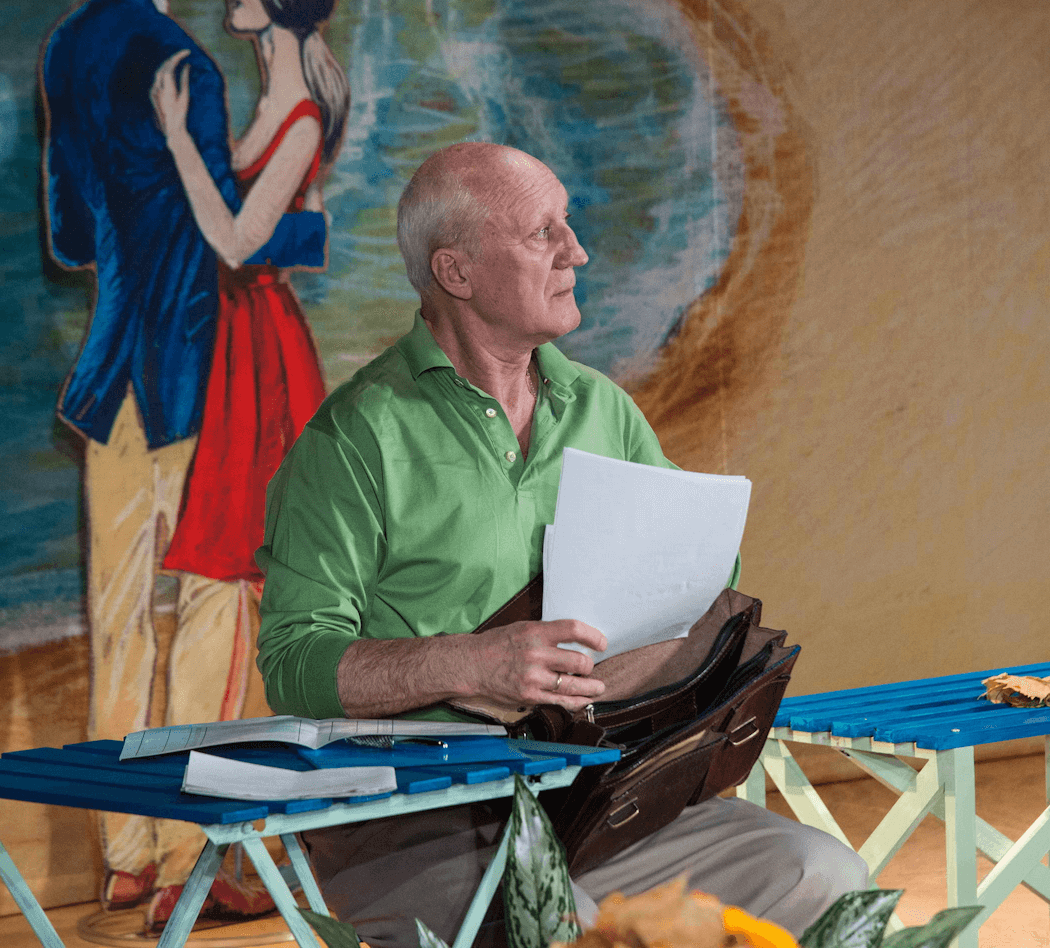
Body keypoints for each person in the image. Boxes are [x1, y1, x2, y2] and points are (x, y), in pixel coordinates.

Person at [255, 142, 868, 947]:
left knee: (820, 876)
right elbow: (294, 664)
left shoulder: (601, 408)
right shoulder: (351, 440)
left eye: (567, 226)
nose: (576, 251)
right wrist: (471, 663)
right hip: (416, 824)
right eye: (543, 232)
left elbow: (699, 572)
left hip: (598, 801)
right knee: (556, 931)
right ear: (456, 272)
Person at [40, 0, 322, 927]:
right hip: (198, 377)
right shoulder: (183, 65)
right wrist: (306, 235)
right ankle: (188, 858)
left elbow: (71, 236)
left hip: (109, 377)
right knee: (212, 608)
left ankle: (125, 852)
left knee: (117, 617)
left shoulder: (67, 46)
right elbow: (225, 240)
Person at [149, 0, 344, 803]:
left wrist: (177, 142)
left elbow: (234, 241)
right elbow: (286, 236)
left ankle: (251, 792)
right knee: (240, 563)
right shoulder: (271, 106)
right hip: (241, 342)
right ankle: (232, 790)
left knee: (253, 560)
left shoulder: (299, 119)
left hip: (266, 357)